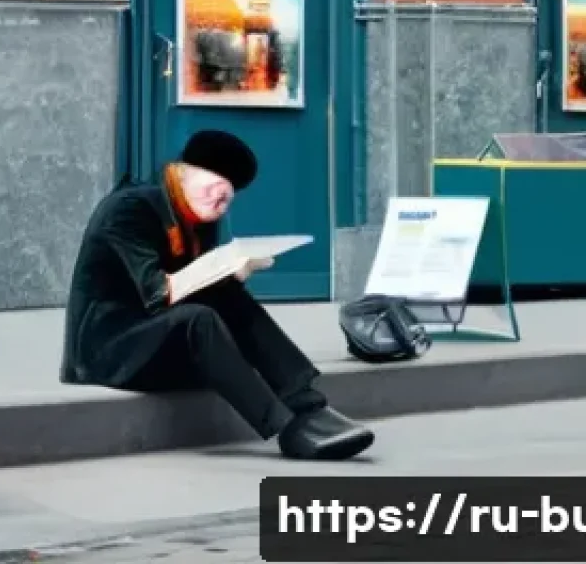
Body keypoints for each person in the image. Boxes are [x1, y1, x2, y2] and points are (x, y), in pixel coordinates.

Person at [60, 130, 374, 461]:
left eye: (225, 198)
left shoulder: (197, 217)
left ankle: (308, 406)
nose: (218, 202)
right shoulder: (129, 209)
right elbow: (155, 293)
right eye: (212, 188)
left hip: (156, 340)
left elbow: (203, 293)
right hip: (109, 351)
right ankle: (287, 428)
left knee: (229, 298)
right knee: (199, 318)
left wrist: (230, 275)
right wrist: (221, 271)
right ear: (181, 172)